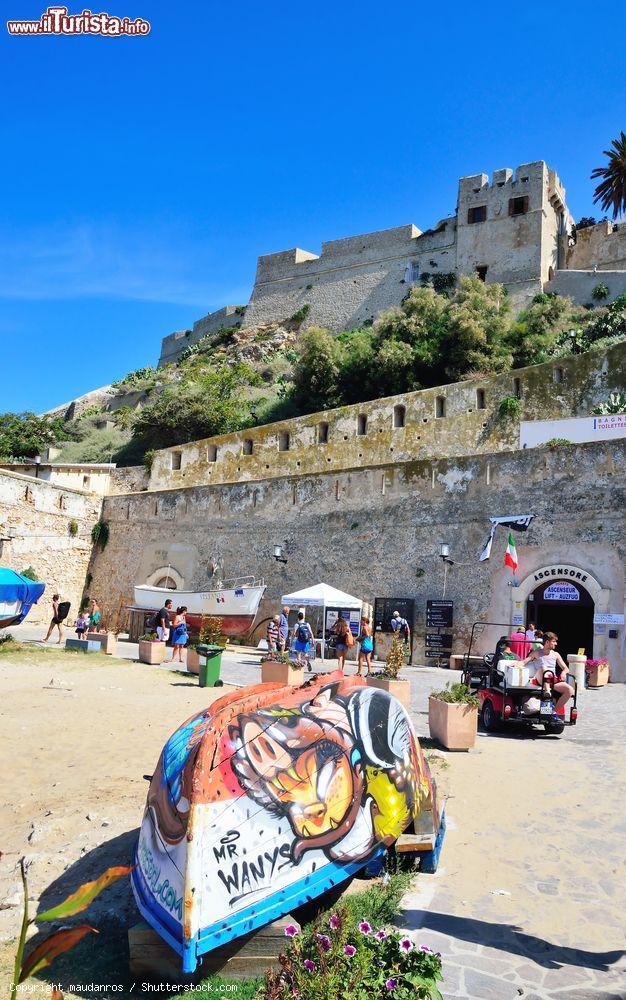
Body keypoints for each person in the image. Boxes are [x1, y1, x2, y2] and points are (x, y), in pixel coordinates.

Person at [522, 631, 574, 713]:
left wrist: (563, 672)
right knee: (544, 667)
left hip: (552, 681)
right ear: (547, 642)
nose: (556, 644)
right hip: (540, 680)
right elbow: (524, 661)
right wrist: (516, 664)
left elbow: (566, 668)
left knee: (570, 690)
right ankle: (547, 691)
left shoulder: (556, 654)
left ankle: (553, 711)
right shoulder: (536, 652)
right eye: (554, 641)